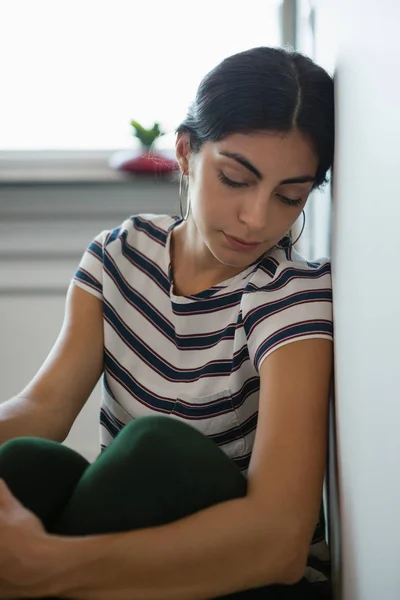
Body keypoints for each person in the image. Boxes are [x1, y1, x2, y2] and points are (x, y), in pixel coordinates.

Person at [0, 46, 334, 600]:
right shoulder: (119, 256)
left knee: (156, 449)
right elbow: (43, 408)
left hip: (241, 572)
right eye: (234, 179)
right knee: (23, 464)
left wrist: (49, 563)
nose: (257, 218)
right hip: (121, 530)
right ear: (185, 153)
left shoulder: (291, 297)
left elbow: (278, 541)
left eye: (290, 196)